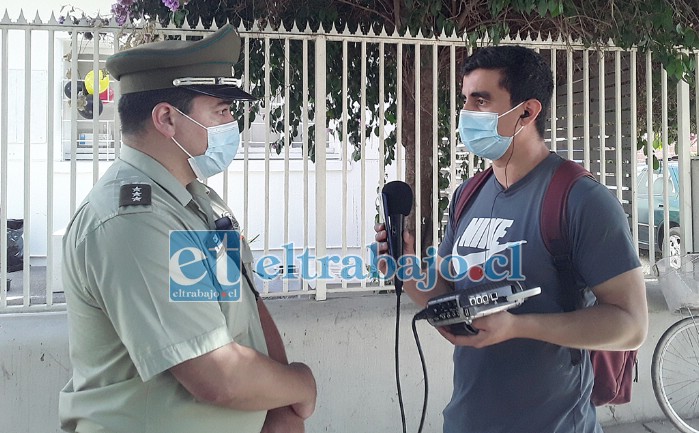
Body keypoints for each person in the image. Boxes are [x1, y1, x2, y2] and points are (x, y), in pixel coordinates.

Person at [375, 46, 648, 433]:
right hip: (465, 421)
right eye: (465, 99)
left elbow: (632, 325)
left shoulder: (580, 199)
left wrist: (520, 326)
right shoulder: (467, 196)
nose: (467, 113)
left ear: (527, 111)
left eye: (481, 100)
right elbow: (446, 297)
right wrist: (405, 267)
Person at [59, 25, 316, 433]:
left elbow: (244, 307)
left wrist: (277, 407)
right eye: (221, 111)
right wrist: (300, 385)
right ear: (166, 118)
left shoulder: (196, 201)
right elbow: (217, 375)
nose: (233, 124)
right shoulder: (131, 221)